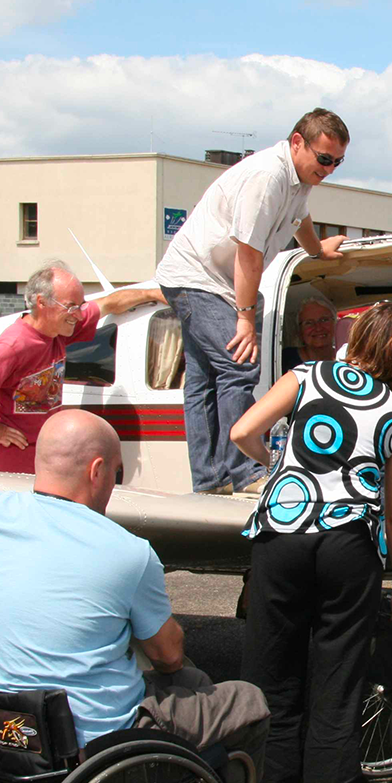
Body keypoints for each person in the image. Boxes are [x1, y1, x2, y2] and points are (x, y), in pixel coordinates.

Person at [0, 410, 270, 769]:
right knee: (246, 701)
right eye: (115, 471)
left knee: (189, 681)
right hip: (91, 746)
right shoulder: (129, 551)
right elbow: (168, 655)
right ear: (97, 470)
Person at [232, 302, 392, 783]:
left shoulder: (305, 376)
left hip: (282, 535)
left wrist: (275, 469)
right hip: (348, 545)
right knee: (338, 673)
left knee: (270, 663)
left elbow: (243, 431)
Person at [156, 108, 351, 495]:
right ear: (298, 143)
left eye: (338, 162)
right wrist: (244, 317)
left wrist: (317, 252)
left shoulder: (299, 179)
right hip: (200, 279)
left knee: (203, 380)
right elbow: (249, 252)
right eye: (324, 159)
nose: (329, 169)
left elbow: (301, 218)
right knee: (239, 365)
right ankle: (245, 473)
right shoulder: (267, 176)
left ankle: (210, 480)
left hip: (208, 280)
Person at [0, 260, 165, 475]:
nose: (78, 314)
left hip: (38, 458)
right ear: (41, 302)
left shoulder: (59, 329)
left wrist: (152, 294)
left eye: (80, 306)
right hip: (3, 462)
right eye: (70, 307)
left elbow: (109, 303)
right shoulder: (15, 344)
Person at [282, 293, 338, 372]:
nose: (318, 328)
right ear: (299, 330)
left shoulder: (345, 358)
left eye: (324, 320)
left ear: (335, 323)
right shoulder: (284, 359)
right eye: (308, 323)